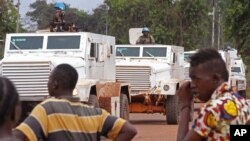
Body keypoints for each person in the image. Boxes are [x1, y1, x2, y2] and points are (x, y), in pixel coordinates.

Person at [13, 64, 137, 141]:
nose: (47, 83)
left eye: (49, 80)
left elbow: (18, 136)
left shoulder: (47, 109)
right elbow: (130, 130)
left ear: (55, 84)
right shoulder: (96, 113)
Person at [177, 48, 250, 141]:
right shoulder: (244, 104)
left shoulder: (212, 109)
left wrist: (185, 105)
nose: (192, 85)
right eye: (191, 80)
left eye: (196, 79)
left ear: (215, 78)